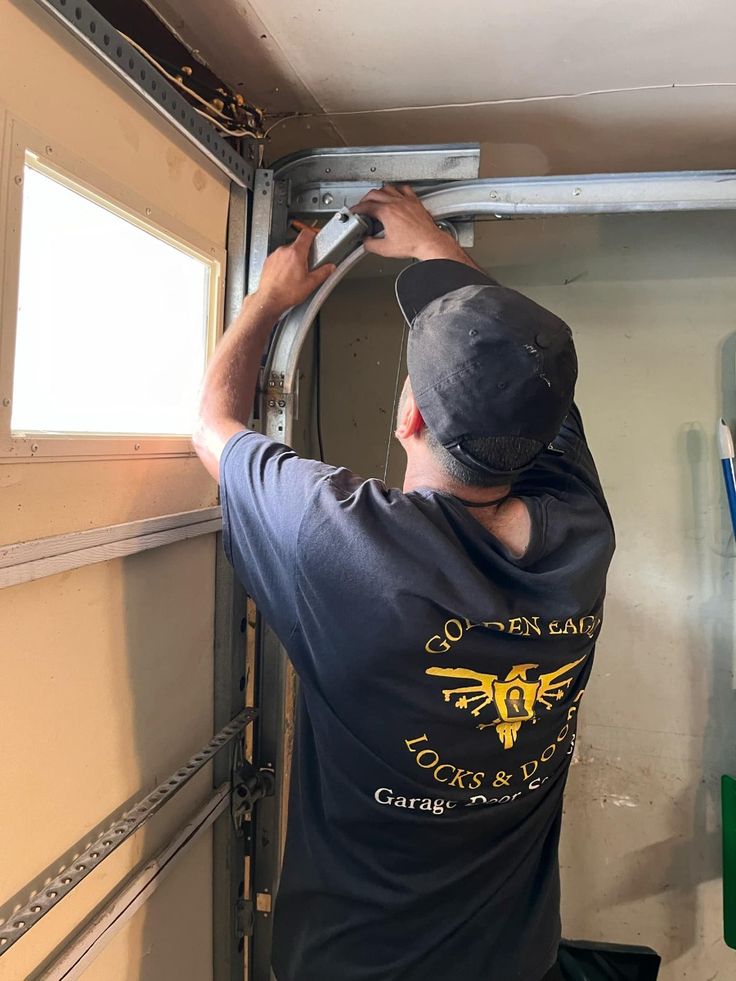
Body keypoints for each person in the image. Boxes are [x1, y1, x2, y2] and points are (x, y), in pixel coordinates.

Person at [193, 184, 615, 981]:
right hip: (512, 959)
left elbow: (212, 427)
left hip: (353, 964)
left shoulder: (343, 542)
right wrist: (435, 247)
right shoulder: (580, 526)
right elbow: (520, 371)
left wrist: (266, 299)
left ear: (409, 416)